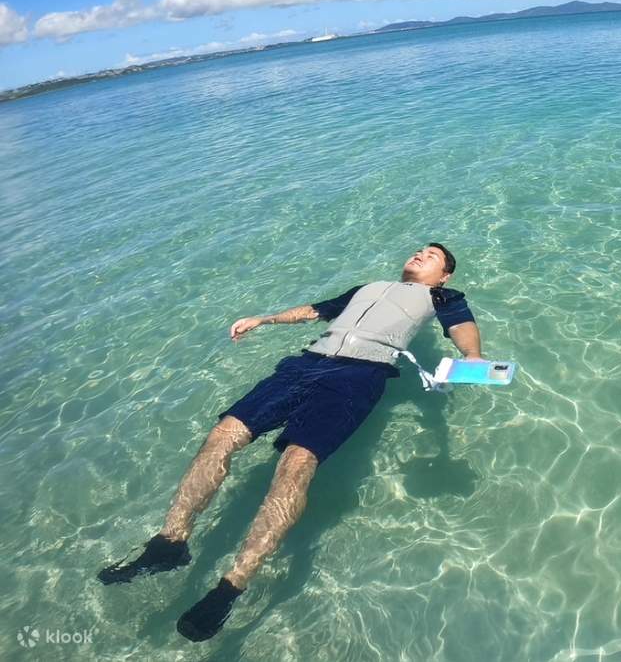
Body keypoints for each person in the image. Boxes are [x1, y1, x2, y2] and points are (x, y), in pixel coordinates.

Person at [97, 243, 482, 642]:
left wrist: (472, 356)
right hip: (303, 365)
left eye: (432, 256)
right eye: (419, 250)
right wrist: (264, 320)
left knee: (296, 463)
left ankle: (233, 584)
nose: (420, 254)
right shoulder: (367, 287)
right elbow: (314, 311)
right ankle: (170, 543)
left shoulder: (442, 296)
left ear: (444, 274)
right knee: (223, 435)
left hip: (358, 377)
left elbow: (461, 328)